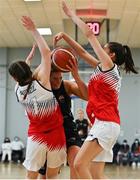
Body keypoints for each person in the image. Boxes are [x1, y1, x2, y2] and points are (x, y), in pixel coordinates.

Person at [53, 1, 138, 178]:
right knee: (95, 174)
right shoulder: (103, 68)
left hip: (106, 124)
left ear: (111, 55)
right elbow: (83, 54)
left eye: (104, 47)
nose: (100, 48)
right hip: (105, 123)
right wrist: (65, 37)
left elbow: (90, 34)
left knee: (78, 164)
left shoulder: (109, 66)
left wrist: (71, 15)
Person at [8, 16, 66, 179]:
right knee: (52, 176)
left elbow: (23, 78)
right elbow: (46, 53)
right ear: (29, 69)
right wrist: (33, 29)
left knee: (31, 176)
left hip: (36, 136)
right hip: (56, 133)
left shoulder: (17, 91)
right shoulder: (42, 81)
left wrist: (27, 61)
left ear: (14, 78)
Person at [25, 44, 88, 179]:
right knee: (45, 174)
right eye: (54, 78)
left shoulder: (67, 85)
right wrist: (50, 56)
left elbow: (87, 96)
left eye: (60, 78)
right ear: (48, 77)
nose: (58, 81)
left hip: (67, 127)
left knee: (76, 162)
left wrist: (76, 75)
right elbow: (34, 75)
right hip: (49, 131)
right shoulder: (41, 85)